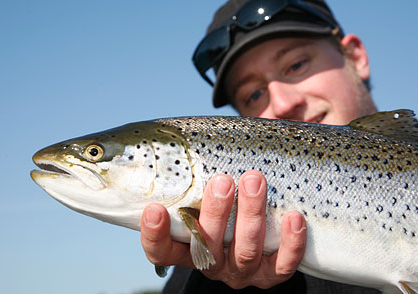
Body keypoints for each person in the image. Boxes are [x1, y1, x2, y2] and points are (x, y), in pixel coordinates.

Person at [141, 0, 380, 292]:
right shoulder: (199, 272)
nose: (282, 104)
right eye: (254, 94)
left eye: (296, 65)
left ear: (356, 57)